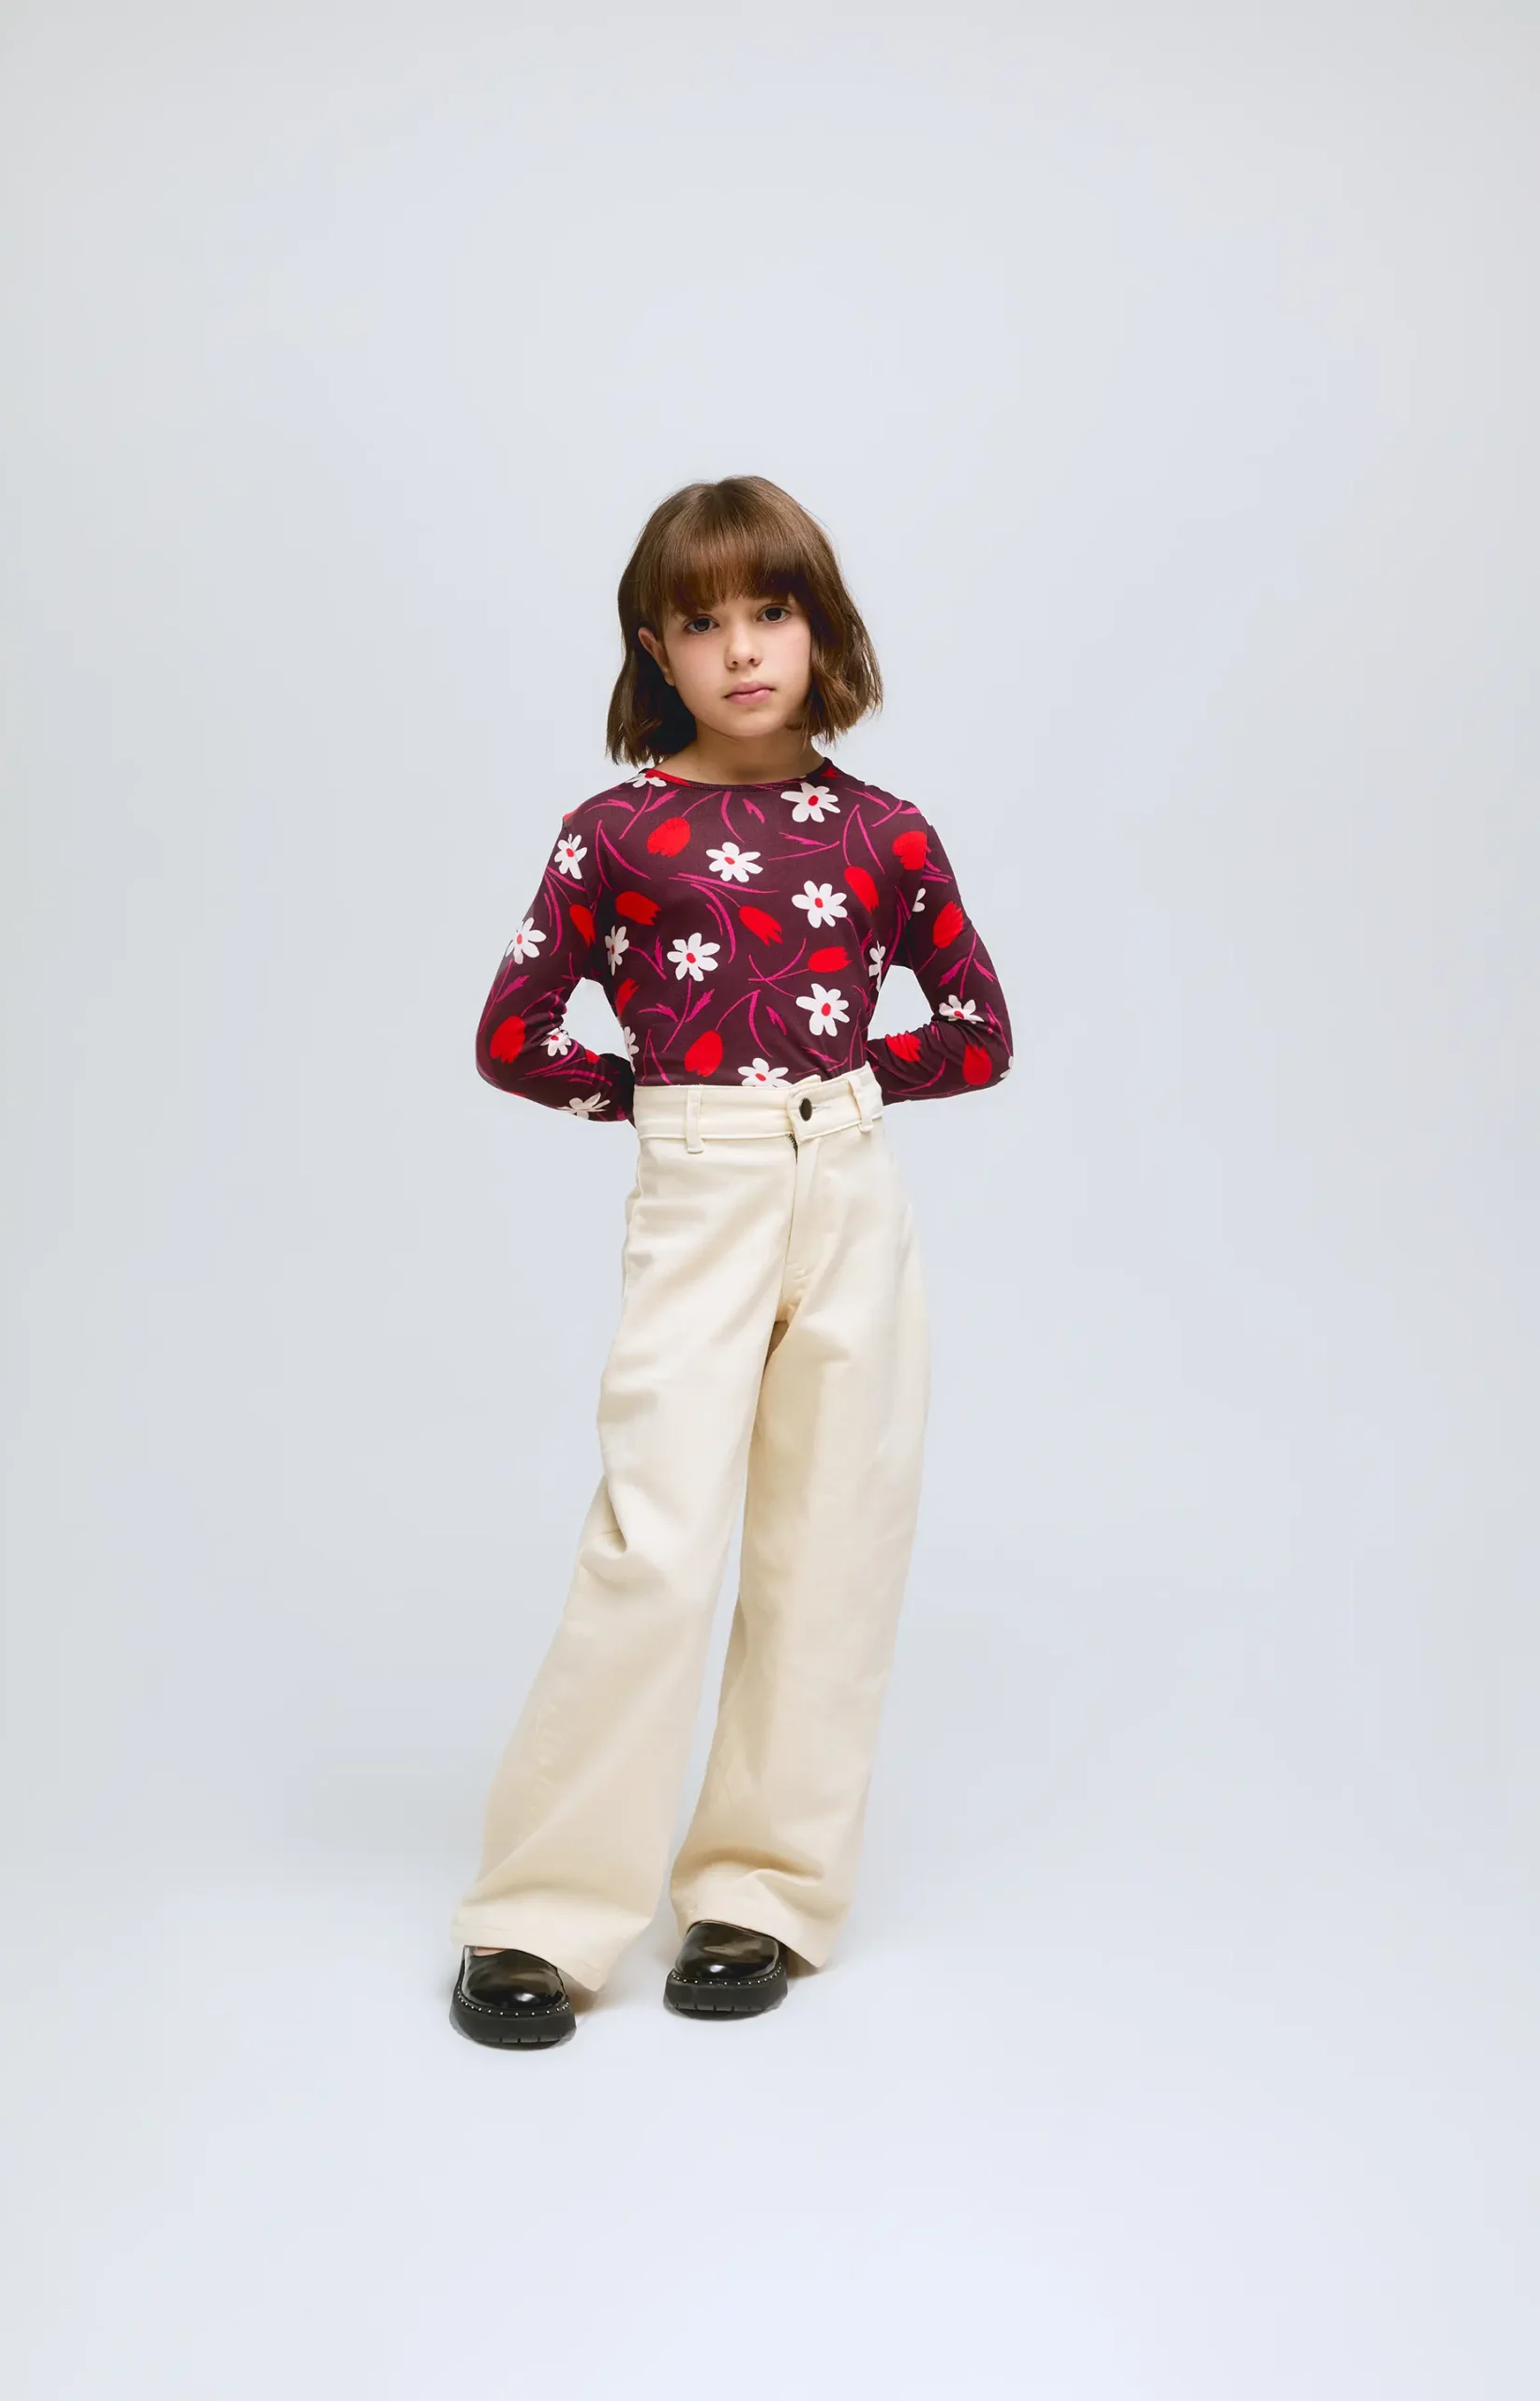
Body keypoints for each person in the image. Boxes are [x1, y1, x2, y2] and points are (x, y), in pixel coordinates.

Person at [448, 476, 1012, 2048]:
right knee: (656, 1538)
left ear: (822, 630)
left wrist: (839, 1088)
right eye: (703, 623)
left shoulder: (886, 833)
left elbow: (978, 1034)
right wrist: (664, 1100)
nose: (744, 650)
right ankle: (542, 1913)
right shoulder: (616, 832)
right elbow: (511, 1035)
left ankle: (762, 1890)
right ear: (656, 649)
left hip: (848, 1190)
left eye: (772, 612)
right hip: (698, 1190)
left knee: (832, 1536)